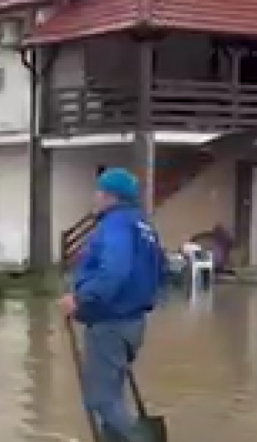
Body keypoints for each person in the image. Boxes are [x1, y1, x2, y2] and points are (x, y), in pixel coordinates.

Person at [57, 168, 165, 442]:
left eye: (99, 191)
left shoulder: (116, 225)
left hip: (110, 324)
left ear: (111, 196)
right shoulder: (143, 225)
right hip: (132, 322)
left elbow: (114, 271)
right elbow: (160, 271)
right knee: (112, 396)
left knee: (102, 399)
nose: (94, 197)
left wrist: (80, 298)